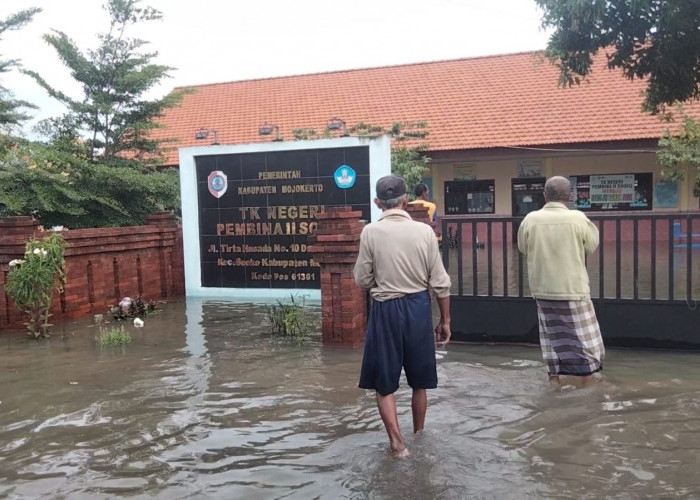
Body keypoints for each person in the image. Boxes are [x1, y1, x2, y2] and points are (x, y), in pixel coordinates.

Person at [354, 174, 452, 458]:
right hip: (418, 308)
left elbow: (362, 278)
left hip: (386, 309)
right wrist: (445, 320)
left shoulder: (370, 232)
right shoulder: (425, 233)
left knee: (384, 382)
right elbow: (440, 282)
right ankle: (419, 434)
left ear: (377, 202)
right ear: (406, 199)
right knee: (419, 380)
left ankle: (397, 444)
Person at [516, 176, 604, 388]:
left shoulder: (530, 219)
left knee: (552, 341)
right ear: (570, 196)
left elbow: (522, 248)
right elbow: (591, 246)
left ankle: (555, 383)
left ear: (545, 196)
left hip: (543, 291)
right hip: (573, 290)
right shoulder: (578, 218)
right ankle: (588, 385)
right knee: (585, 341)